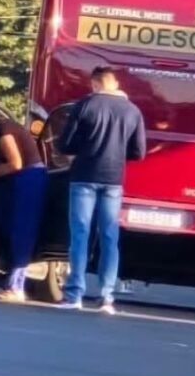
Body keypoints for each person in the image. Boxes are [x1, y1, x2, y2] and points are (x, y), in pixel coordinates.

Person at [57, 67, 146, 314]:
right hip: (114, 180)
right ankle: (107, 297)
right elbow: (138, 152)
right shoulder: (132, 111)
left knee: (80, 236)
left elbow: (64, 144)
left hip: (84, 176)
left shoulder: (85, 105)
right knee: (109, 237)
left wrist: (83, 148)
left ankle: (74, 294)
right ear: (114, 83)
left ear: (95, 84)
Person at [0, 106, 47, 303]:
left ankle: (16, 286)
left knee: (20, 230)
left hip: (28, 179)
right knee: (15, 228)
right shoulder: (3, 128)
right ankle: (14, 282)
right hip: (27, 178)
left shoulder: (4, 131)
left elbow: (15, 163)